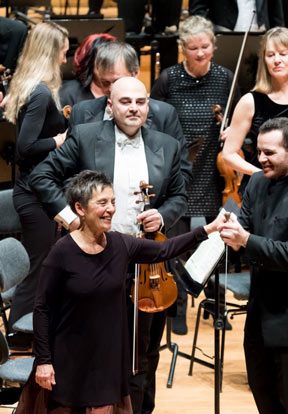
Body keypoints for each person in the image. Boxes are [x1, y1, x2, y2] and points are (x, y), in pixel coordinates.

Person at [30, 77, 187, 414]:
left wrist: (164, 216)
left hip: (147, 268)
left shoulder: (167, 145)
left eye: (141, 102)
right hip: (94, 261)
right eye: (126, 101)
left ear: (148, 106)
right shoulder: (86, 137)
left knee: (144, 353)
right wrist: (72, 220)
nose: (134, 108)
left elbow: (179, 196)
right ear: (110, 106)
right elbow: (41, 177)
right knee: (94, 347)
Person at [16, 169, 221, 414]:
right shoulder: (62, 253)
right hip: (70, 357)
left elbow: (164, 249)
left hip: (107, 355)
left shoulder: (119, 243)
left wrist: (208, 230)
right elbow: (42, 308)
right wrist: (44, 361)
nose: (111, 209)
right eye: (102, 203)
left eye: (113, 202)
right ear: (80, 208)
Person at [219, 117, 288, 414]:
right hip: (259, 312)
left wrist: (244, 239)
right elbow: (243, 224)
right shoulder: (257, 181)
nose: (260, 159)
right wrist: (230, 232)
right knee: (263, 396)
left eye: (269, 153)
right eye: (258, 151)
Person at [150, 14, 241, 334]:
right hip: (179, 166)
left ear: (213, 46)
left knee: (217, 240)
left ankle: (214, 301)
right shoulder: (169, 78)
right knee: (177, 241)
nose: (200, 53)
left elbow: (239, 118)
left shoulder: (225, 78)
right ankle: (176, 307)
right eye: (193, 48)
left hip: (215, 168)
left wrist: (232, 130)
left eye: (205, 47)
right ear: (182, 48)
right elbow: (153, 120)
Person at [3, 22, 69, 346]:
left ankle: (28, 330)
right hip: (33, 194)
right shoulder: (41, 92)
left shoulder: (30, 86)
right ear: (52, 52)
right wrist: (59, 140)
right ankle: (16, 335)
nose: (66, 60)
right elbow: (25, 148)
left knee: (39, 264)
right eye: (63, 53)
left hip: (32, 191)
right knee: (34, 267)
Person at [67, 40, 192, 188]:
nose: (112, 89)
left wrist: (161, 209)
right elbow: (68, 174)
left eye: (117, 80)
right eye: (104, 83)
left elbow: (182, 173)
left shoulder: (164, 115)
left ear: (136, 73)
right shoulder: (81, 112)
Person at [222, 26, 288, 182]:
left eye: (283, 54)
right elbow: (229, 154)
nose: (277, 60)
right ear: (264, 60)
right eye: (270, 55)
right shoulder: (249, 101)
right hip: (263, 187)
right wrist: (262, 175)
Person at [59, 33, 117, 108]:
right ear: (90, 61)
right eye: (103, 62)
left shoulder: (128, 91)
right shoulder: (68, 93)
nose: (108, 66)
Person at [189, 0, 284, 32]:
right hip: (222, 37)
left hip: (259, 36)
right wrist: (211, 32)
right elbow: (197, 10)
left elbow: (275, 10)